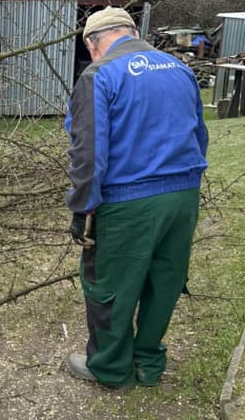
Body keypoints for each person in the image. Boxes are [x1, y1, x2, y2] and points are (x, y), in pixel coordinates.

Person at [64, 7, 208, 389]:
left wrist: (82, 206)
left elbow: (88, 151)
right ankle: (148, 362)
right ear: (131, 31)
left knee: (109, 282)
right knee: (165, 278)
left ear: (94, 44)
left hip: (130, 200)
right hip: (183, 195)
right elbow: (200, 135)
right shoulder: (181, 70)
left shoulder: (99, 74)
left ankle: (110, 367)